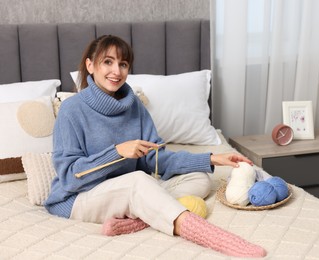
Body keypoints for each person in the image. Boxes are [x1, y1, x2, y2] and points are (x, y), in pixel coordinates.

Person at [44, 35, 266, 258]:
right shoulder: (71, 110)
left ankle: (137, 220)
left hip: (129, 191)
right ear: (90, 65)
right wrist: (117, 152)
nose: (117, 71)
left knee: (199, 178)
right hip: (79, 197)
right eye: (108, 62)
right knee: (138, 181)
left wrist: (210, 159)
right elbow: (70, 177)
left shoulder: (134, 107)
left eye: (123, 64)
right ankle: (209, 235)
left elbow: (156, 159)